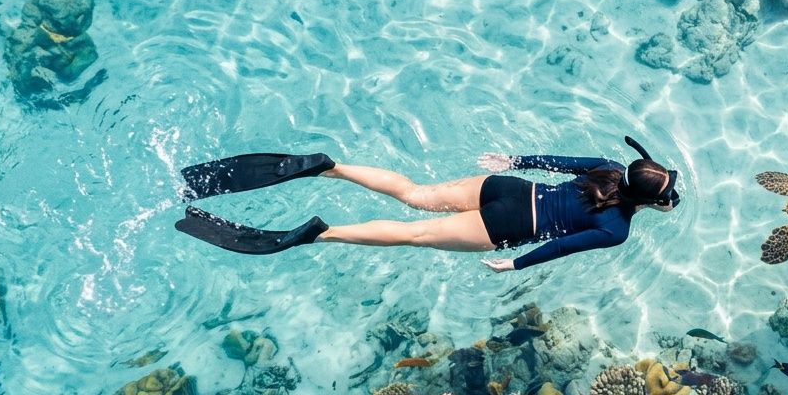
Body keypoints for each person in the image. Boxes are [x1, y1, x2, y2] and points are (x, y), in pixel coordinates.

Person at [173, 137, 681, 272]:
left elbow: (559, 160)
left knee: (413, 194)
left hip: (504, 188)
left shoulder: (609, 167)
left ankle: (331, 166)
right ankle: (319, 233)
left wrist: (513, 157)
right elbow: (565, 248)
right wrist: (516, 262)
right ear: (648, 203)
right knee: (412, 233)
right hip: (509, 225)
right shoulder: (617, 231)